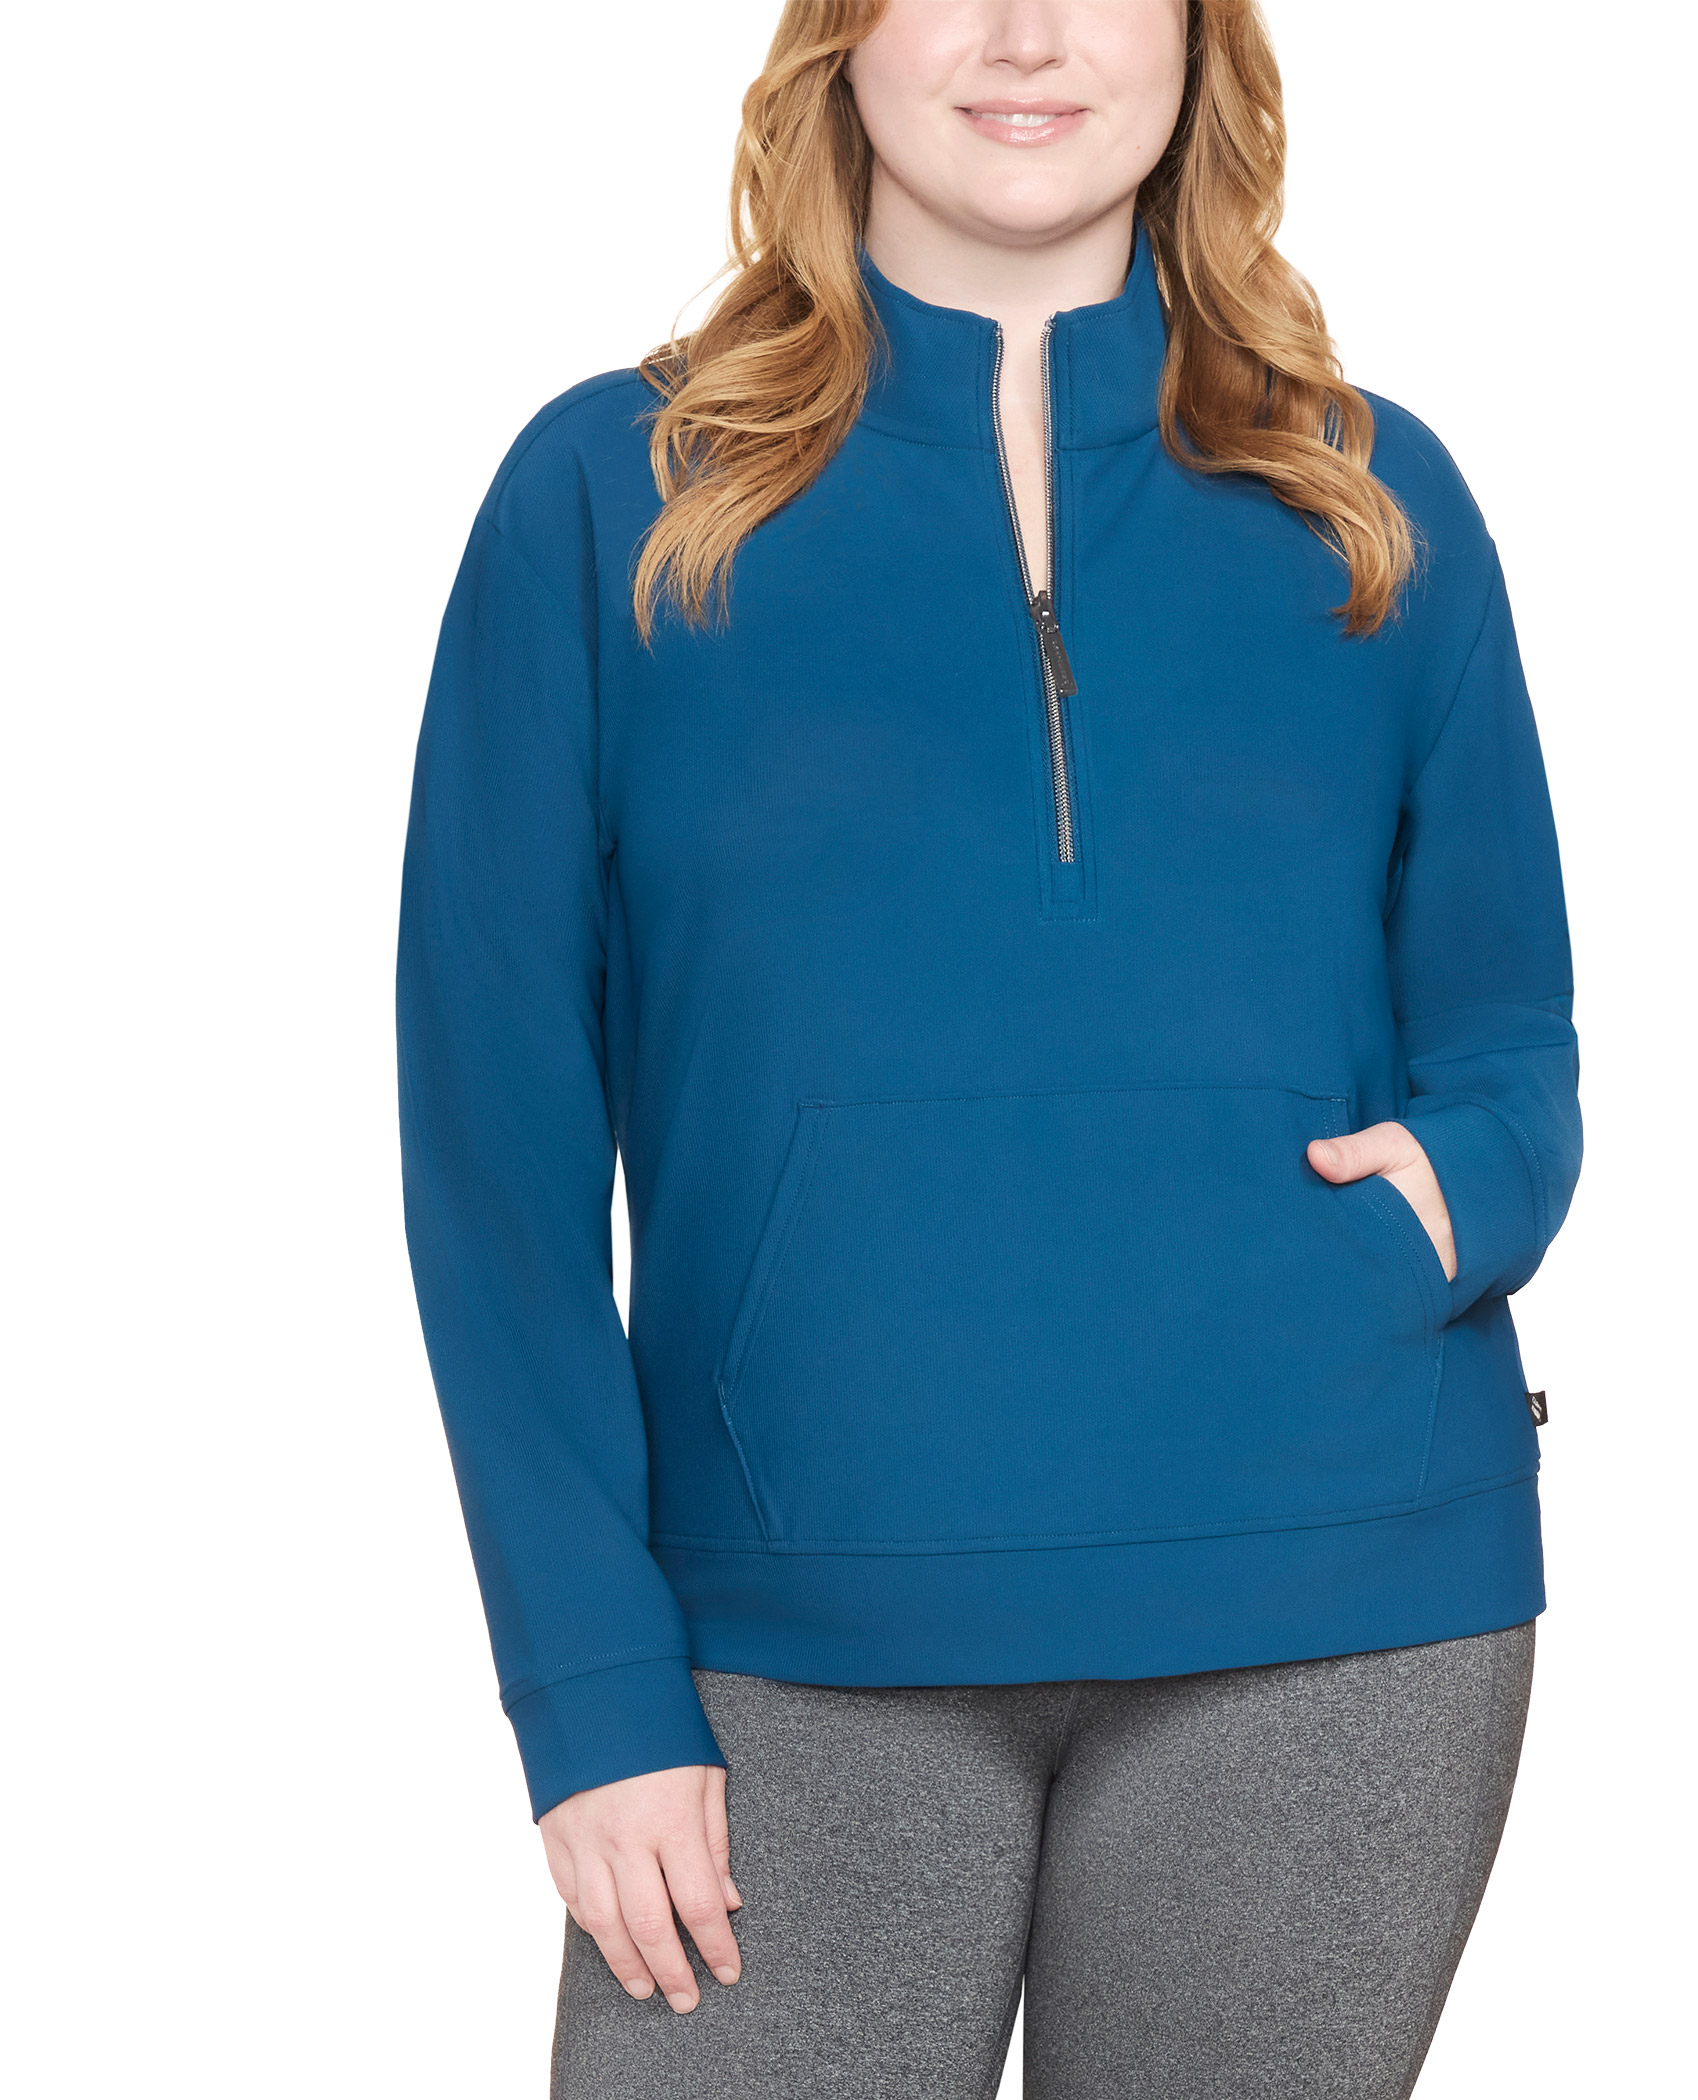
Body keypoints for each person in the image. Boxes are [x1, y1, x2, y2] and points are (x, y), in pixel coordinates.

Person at [395, 2, 1580, 2092]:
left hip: (1333, 1596)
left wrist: (1447, 1204)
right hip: (782, 1630)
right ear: (839, 36)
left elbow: (1505, 1027)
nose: (1029, 35)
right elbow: (494, 1144)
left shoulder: (1370, 494)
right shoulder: (612, 498)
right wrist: (588, 1684)